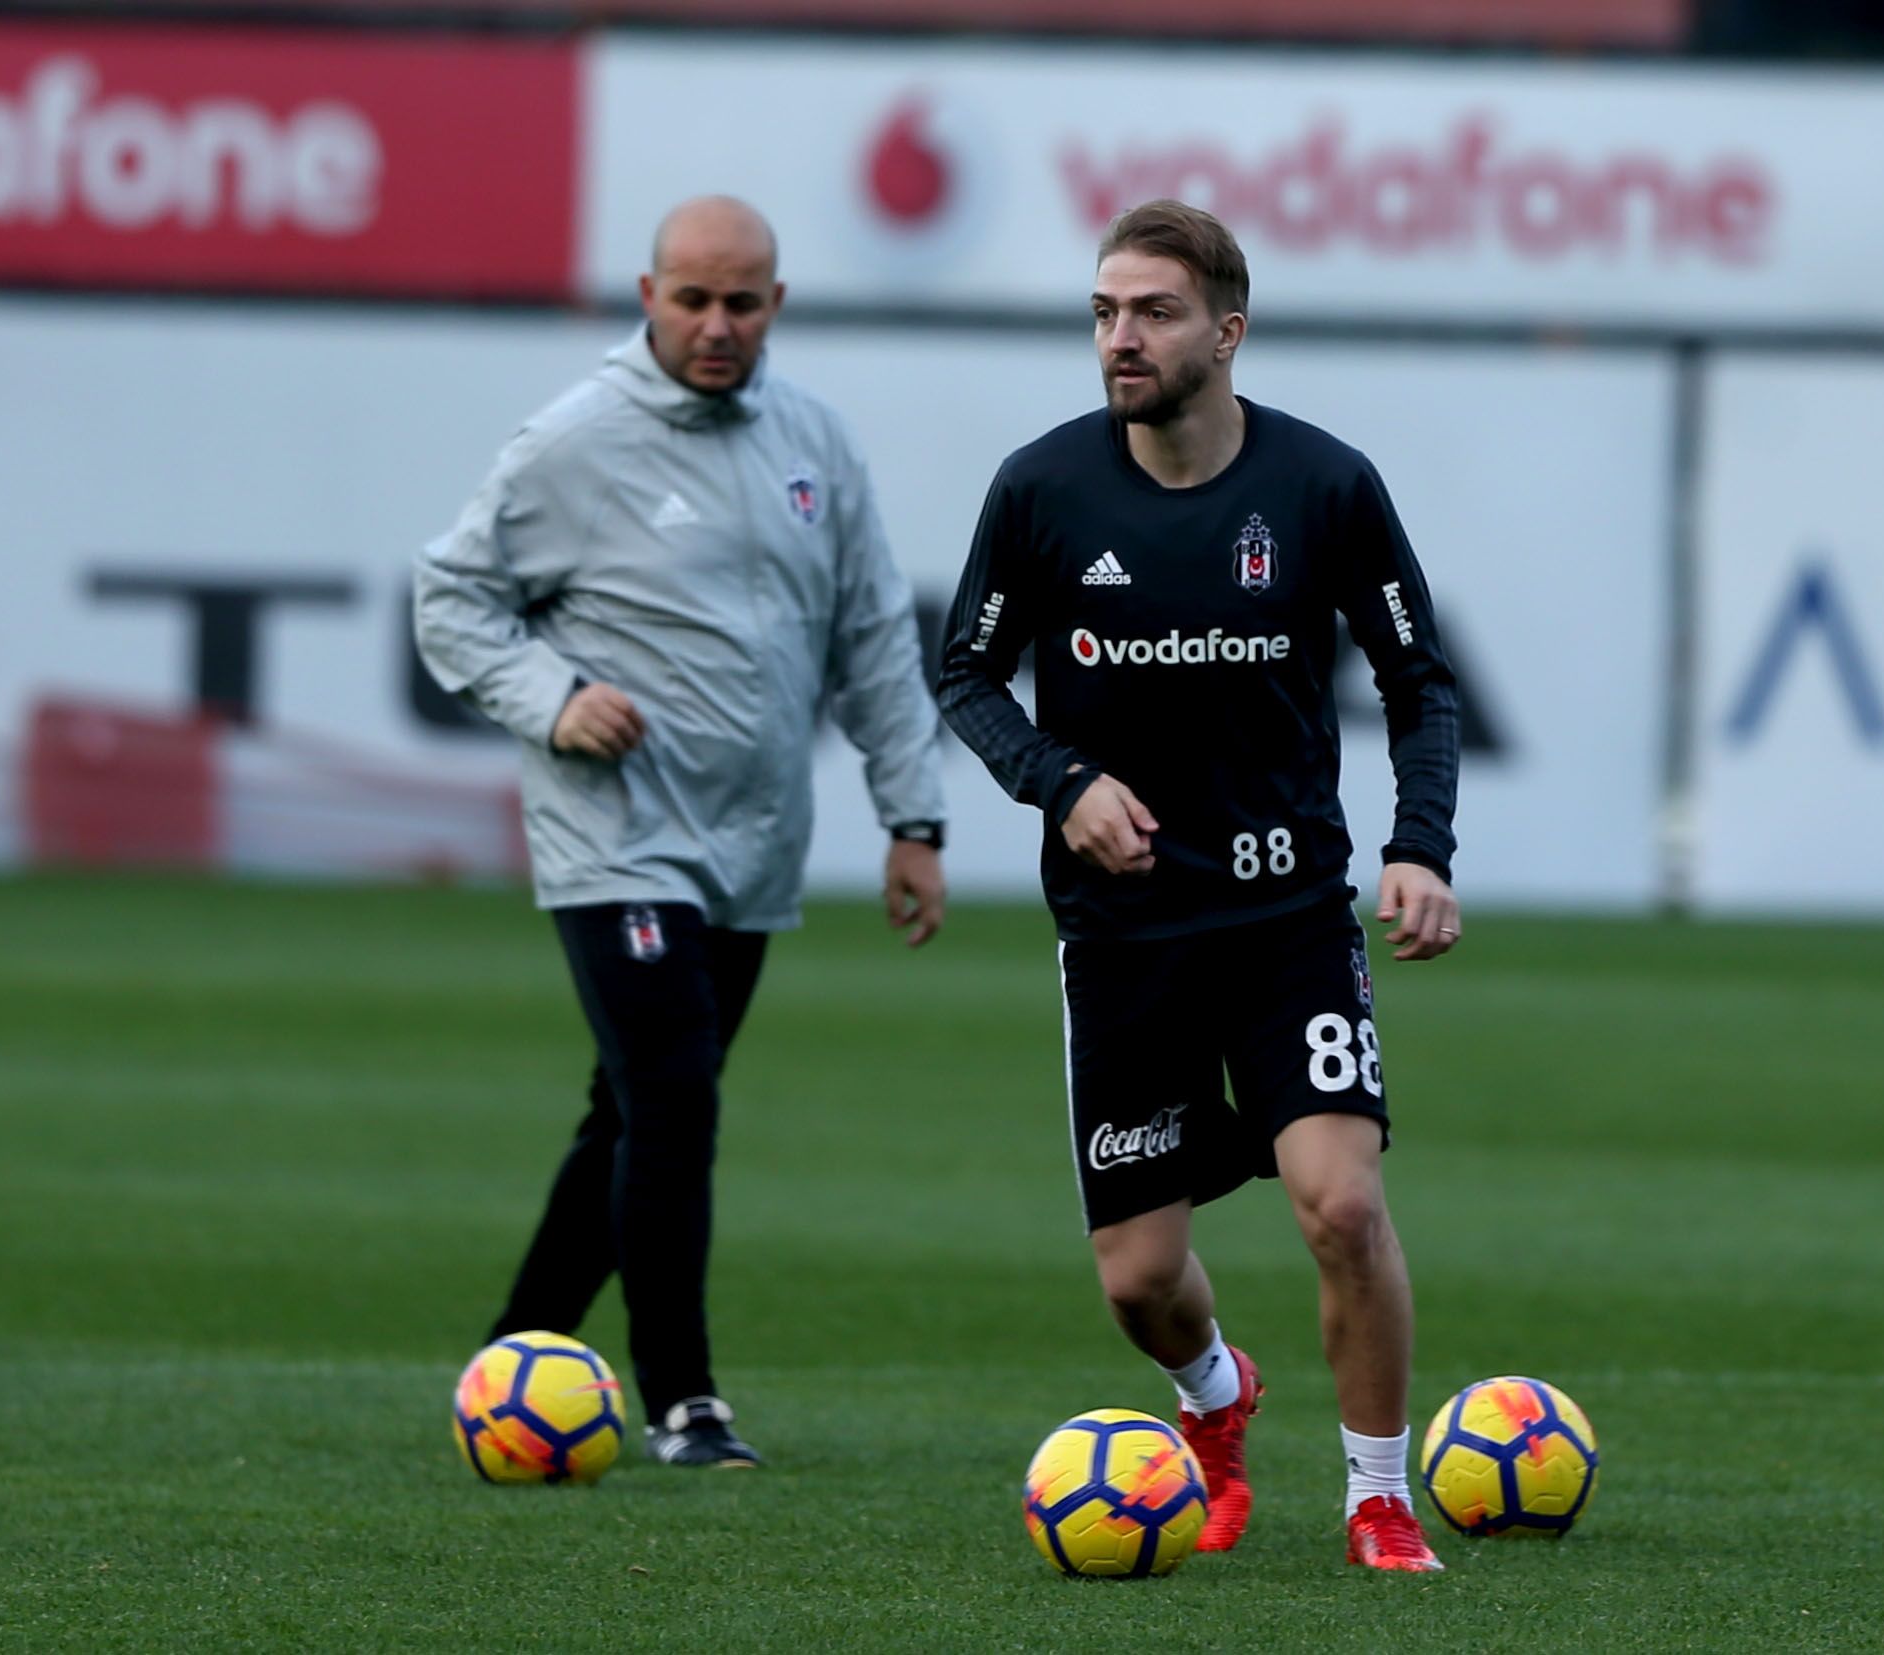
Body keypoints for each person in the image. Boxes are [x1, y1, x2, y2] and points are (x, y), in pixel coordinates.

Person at [935, 199, 1461, 1570]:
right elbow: (965, 673)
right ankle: (1218, 1397)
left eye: (1152, 311)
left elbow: (1418, 681)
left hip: (1288, 916)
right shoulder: (1043, 490)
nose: (1121, 336)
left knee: (1340, 1204)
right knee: (1141, 1279)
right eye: (1106, 310)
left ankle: (1377, 1494)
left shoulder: (1323, 485)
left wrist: (1420, 845)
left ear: (1226, 330)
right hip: (1123, 936)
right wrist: (1060, 780)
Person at [415, 195, 948, 1469]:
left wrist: (912, 813)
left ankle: (516, 1354)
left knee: (629, 1114)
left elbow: (873, 636)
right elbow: (451, 596)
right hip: (619, 835)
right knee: (671, 1097)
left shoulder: (815, 439)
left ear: (776, 305)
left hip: (751, 847)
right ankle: (682, 1399)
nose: (716, 325)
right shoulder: (576, 441)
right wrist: (552, 699)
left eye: (742, 301)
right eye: (693, 298)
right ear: (647, 295)